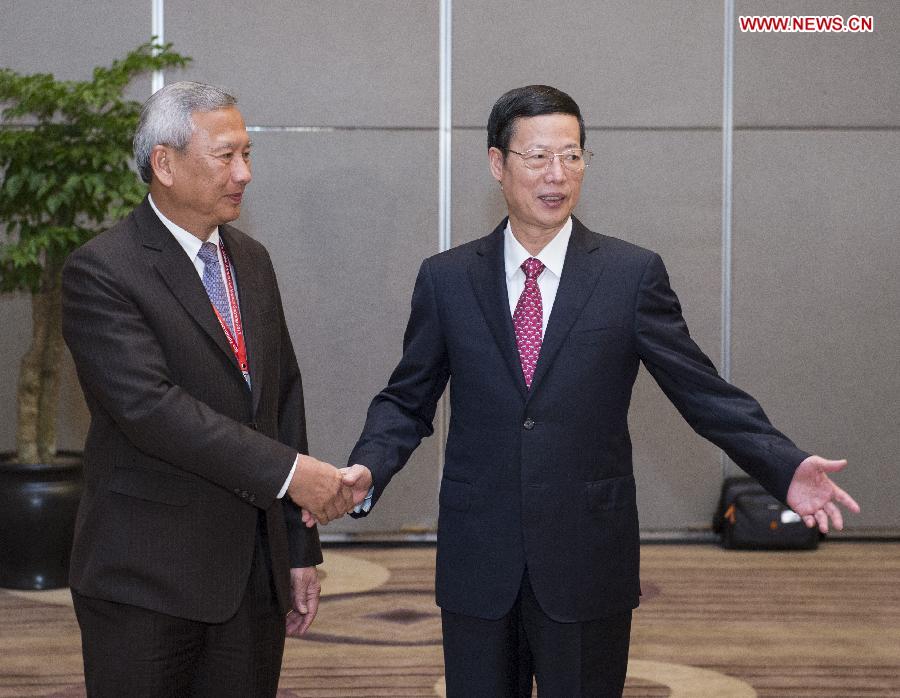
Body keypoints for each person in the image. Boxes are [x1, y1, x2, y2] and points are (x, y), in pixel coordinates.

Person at [324, 85, 860, 696]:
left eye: (572, 156)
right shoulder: (447, 279)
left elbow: (700, 389)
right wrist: (369, 467)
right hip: (480, 555)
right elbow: (406, 398)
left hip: (586, 556)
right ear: (497, 163)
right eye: (538, 158)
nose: (557, 176)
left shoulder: (629, 275)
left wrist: (784, 467)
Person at [61, 81, 360, 697]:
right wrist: (291, 474)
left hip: (251, 576)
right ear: (164, 163)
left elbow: (283, 399)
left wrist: (300, 549)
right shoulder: (103, 268)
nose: (244, 173)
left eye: (247, 154)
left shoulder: (251, 260)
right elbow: (151, 409)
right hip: (145, 580)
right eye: (226, 156)